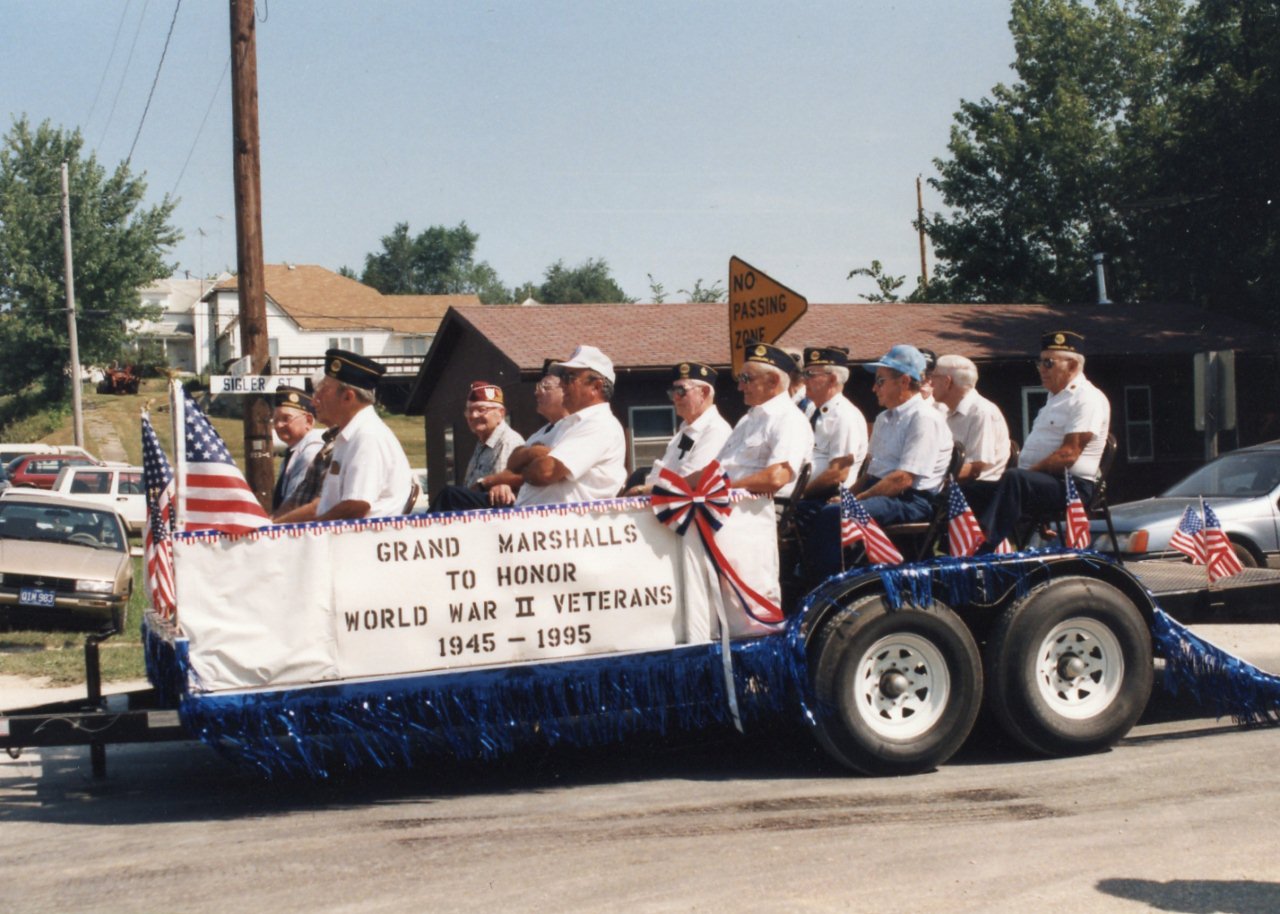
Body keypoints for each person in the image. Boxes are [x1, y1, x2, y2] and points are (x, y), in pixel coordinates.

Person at [808, 344, 951, 578]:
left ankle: (828, 584)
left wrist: (855, 500)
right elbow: (870, 474)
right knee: (810, 510)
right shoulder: (884, 418)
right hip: (883, 492)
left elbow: (903, 478)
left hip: (912, 501)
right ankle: (812, 574)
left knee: (834, 514)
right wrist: (849, 496)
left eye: (881, 381)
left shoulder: (924, 419)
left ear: (904, 381)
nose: (874, 388)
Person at [977, 331, 1110, 550]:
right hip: (1044, 482)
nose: (1041, 368)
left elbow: (1069, 454)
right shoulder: (1055, 399)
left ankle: (982, 547)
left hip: (1073, 486)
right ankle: (948, 548)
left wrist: (1029, 474)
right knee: (974, 489)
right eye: (1039, 362)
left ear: (1073, 366)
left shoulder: (1088, 398)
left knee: (1015, 480)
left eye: (1048, 363)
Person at [274, 349, 412, 522]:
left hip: (358, 543)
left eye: (323, 391)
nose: (314, 400)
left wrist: (307, 529)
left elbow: (355, 507)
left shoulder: (367, 436)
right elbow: (326, 503)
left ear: (347, 397)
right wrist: (274, 525)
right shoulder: (348, 436)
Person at [516, 344, 626, 506]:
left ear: (596, 387)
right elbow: (517, 466)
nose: (561, 384)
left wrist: (522, 467)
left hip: (570, 526)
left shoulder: (600, 424)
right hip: (542, 524)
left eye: (569, 378)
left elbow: (546, 471)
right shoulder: (569, 424)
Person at [715, 344, 814, 498]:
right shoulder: (746, 420)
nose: (740, 387)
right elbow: (715, 468)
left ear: (773, 381)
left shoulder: (790, 420)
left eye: (746, 378)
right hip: (727, 503)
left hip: (760, 509)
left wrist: (722, 490)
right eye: (740, 379)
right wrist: (673, 486)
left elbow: (776, 477)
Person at [626, 362, 732, 495]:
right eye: (673, 392)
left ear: (704, 392)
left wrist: (642, 490)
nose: (675, 398)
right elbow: (662, 472)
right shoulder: (686, 432)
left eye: (681, 391)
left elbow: (691, 480)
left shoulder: (716, 430)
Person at [481, 360, 569, 506]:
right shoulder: (538, 434)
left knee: (451, 496)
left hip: (546, 512)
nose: (537, 392)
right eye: (538, 387)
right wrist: (533, 454)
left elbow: (547, 468)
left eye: (545, 387)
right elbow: (513, 464)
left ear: (566, 391)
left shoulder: (573, 428)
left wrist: (488, 482)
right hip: (522, 505)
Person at [931, 353, 1011, 515]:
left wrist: (930, 482)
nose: (930, 382)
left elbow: (974, 469)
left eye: (934, 376)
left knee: (913, 504)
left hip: (979, 492)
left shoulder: (981, 412)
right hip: (953, 487)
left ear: (947, 382)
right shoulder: (945, 412)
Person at [429, 381, 526, 511]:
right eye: (469, 411)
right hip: (479, 512)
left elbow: (502, 490)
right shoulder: (483, 442)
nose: (473, 416)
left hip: (499, 514)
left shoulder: (508, 441)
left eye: (482, 410)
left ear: (501, 413)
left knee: (450, 495)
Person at [799, 346, 868, 500]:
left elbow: (838, 474)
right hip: (794, 492)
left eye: (809, 374)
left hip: (824, 498)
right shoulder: (811, 410)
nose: (804, 380)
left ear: (832, 379)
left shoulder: (845, 416)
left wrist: (799, 496)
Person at [270, 386, 326, 512]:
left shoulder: (311, 452)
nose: (278, 425)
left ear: (308, 420)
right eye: (275, 420)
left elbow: (295, 503)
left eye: (286, 418)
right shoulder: (293, 452)